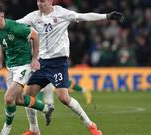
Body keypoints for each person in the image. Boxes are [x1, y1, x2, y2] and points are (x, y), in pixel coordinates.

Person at [16, 0, 124, 135]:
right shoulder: (33, 16)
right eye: (38, 0)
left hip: (57, 63)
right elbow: (16, 23)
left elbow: (83, 16)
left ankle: (91, 125)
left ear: (50, 1)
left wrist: (106, 16)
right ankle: (34, 130)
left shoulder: (62, 13)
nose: (39, 3)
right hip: (41, 62)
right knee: (27, 97)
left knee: (63, 98)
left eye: (42, 1)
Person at [0, 2, 54, 135]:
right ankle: (46, 108)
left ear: (1, 16)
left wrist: (34, 58)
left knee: (9, 97)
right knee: (19, 100)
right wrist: (0, 63)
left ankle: (6, 128)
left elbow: (35, 36)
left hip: (24, 65)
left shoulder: (16, 28)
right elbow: (2, 42)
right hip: (10, 66)